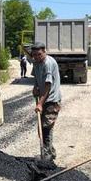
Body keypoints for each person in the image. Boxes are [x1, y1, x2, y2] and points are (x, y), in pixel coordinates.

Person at [30, 42, 62, 170]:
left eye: (39, 54)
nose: (37, 57)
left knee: (46, 128)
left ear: (45, 51)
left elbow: (48, 85)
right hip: (43, 98)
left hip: (52, 100)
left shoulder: (48, 63)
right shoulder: (36, 62)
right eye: (34, 55)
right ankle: (50, 152)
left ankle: (47, 157)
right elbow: (37, 78)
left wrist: (40, 103)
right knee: (41, 130)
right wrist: (35, 87)